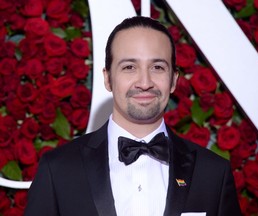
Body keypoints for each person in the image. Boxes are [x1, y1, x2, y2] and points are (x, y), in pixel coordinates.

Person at [24, 16, 242, 216]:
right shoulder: (58, 168)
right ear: (108, 78)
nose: (144, 82)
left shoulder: (213, 173)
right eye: (129, 67)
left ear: (174, 79)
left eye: (157, 67)